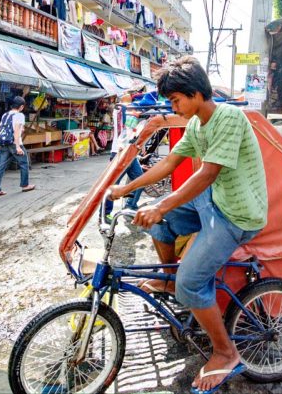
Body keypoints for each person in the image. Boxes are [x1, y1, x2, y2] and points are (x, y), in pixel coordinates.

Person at [110, 57, 267, 394]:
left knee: (191, 283)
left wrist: (163, 203)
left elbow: (208, 172)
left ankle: (225, 353)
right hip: (214, 201)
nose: (173, 106)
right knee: (160, 225)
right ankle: (169, 282)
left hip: (237, 214)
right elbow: (170, 162)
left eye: (176, 99)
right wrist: (127, 188)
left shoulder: (228, 118)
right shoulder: (196, 123)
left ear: (196, 93)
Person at [0, 96, 35, 197]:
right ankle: (25, 185)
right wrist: (18, 146)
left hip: (4, 142)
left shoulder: (5, 115)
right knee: (24, 162)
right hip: (14, 143)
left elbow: (6, 128)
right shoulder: (19, 115)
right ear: (21, 106)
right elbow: (16, 131)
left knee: (1, 166)